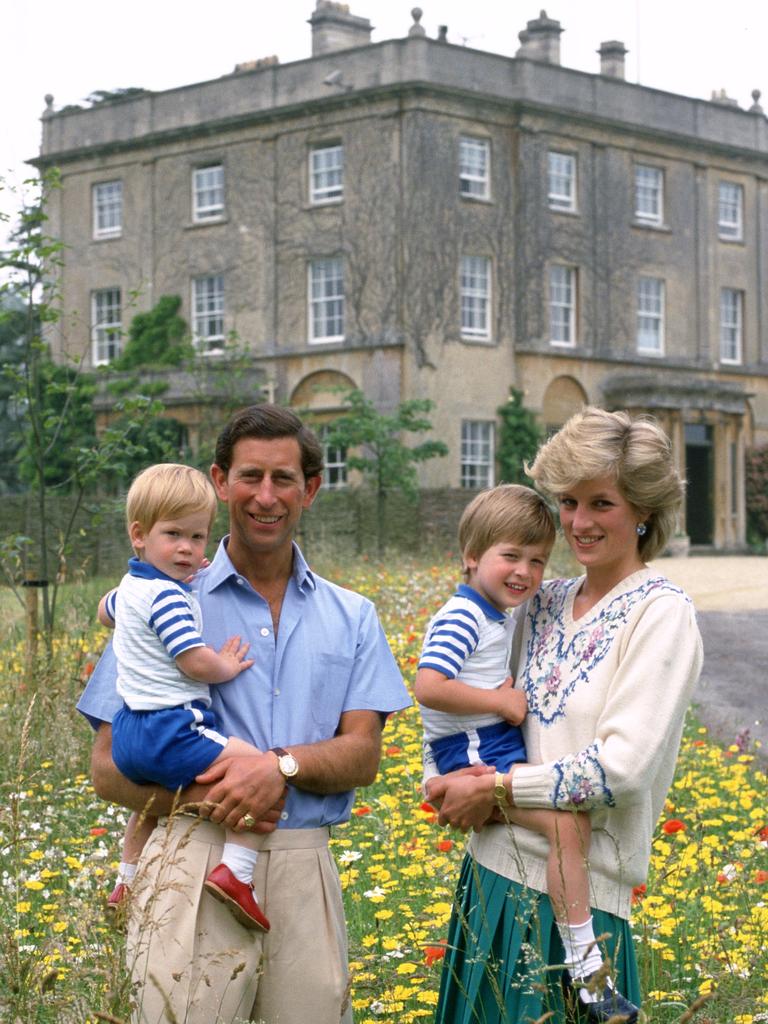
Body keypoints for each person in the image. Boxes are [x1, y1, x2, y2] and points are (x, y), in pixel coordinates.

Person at [77, 404, 411, 1024]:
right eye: (250, 477)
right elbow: (105, 766)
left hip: (303, 865)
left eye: (283, 479)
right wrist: (211, 799)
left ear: (310, 488)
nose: (266, 496)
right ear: (219, 481)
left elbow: (363, 755)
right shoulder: (160, 596)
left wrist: (278, 767)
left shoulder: (353, 615)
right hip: (189, 859)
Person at [427, 407, 703, 1024]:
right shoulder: (538, 601)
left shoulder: (661, 615)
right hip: (490, 878)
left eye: (601, 503)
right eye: (569, 502)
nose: (579, 522)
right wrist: (438, 778)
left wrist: (494, 787)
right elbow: (461, 692)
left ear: (644, 511)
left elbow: (620, 770)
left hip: (583, 905)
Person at [416, 483, 636, 1017]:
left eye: (537, 560)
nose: (525, 572)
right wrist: (502, 702)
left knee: (569, 828)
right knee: (567, 827)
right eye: (510, 556)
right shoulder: (463, 616)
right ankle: (586, 967)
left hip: (487, 750)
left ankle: (584, 961)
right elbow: (428, 686)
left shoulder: (495, 614)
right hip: (477, 753)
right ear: (471, 557)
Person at [100, 462, 271, 932]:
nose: (187, 549)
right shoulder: (169, 599)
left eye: (197, 538)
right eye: (173, 534)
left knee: (147, 809)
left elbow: (104, 610)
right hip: (174, 726)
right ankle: (236, 874)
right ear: (139, 535)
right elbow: (192, 661)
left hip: (130, 734)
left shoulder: (132, 587)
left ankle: (126, 880)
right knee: (258, 770)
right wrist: (227, 665)